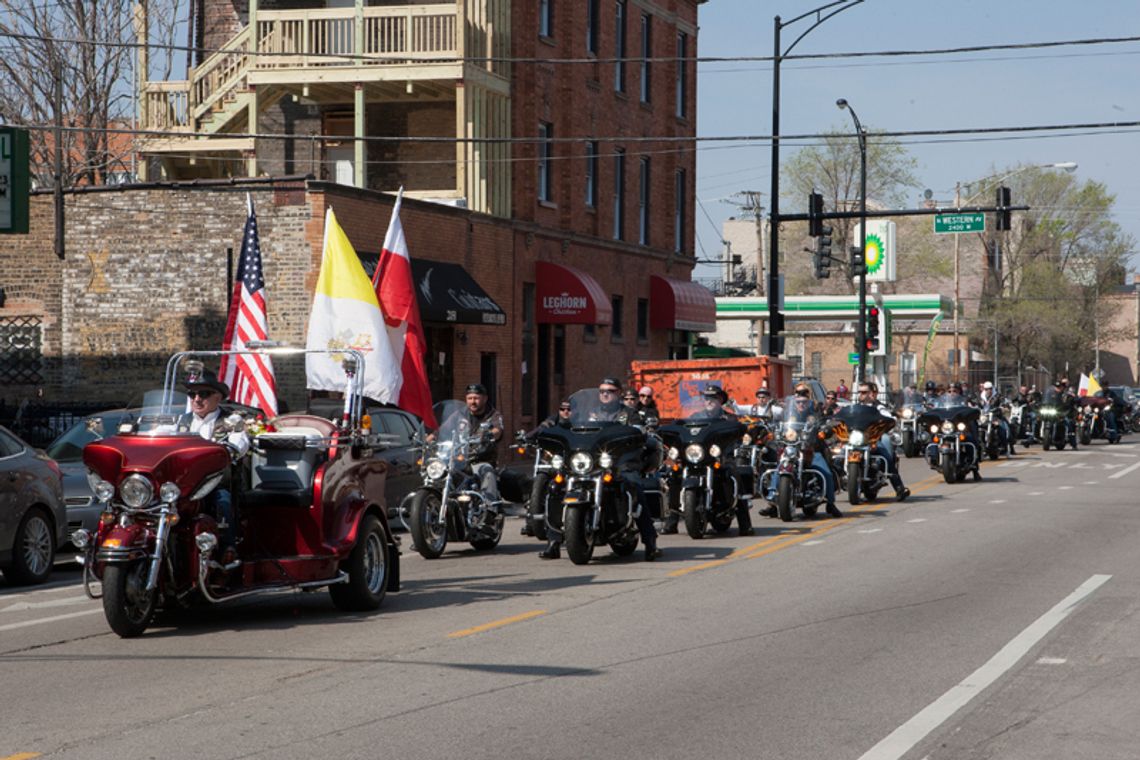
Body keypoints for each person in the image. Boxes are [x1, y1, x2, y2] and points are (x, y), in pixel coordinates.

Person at [541, 377, 662, 561]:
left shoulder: (629, 414)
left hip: (621, 462)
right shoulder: (589, 414)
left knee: (635, 486)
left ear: (618, 393)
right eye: (602, 391)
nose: (605, 394)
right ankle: (553, 541)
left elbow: (639, 433)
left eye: (610, 391)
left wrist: (638, 433)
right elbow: (575, 431)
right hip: (591, 462)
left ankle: (650, 541)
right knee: (556, 487)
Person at [181, 370, 250, 548]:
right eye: (192, 394)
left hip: (217, 484)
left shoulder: (232, 422)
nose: (197, 399)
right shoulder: (180, 422)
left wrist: (228, 450)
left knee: (222, 502)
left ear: (218, 398)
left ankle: (229, 550)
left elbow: (238, 446)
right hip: (183, 486)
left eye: (203, 394)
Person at [759, 383, 838, 518]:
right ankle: (773, 503)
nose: (801, 397)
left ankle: (831, 503)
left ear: (809, 394)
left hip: (812, 450)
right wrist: (772, 427)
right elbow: (777, 421)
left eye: (804, 393)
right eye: (798, 393)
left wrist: (825, 428)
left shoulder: (816, 409)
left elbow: (826, 420)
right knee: (780, 468)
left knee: (826, 472)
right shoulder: (788, 411)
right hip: (791, 447)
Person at [437, 383, 504, 504]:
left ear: (485, 398)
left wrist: (489, 434)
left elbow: (498, 429)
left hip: (481, 459)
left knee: (487, 471)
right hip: (459, 459)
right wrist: (429, 437)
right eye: (470, 398)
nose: (473, 402)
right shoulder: (460, 414)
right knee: (440, 473)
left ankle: (490, 509)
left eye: (476, 398)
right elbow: (443, 429)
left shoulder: (492, 415)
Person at [854, 382, 911, 501]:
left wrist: (889, 419)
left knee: (886, 456)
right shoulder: (855, 407)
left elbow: (889, 417)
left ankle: (899, 488)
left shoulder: (878, 407)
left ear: (871, 394)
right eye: (859, 392)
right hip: (855, 440)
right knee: (837, 455)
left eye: (864, 392)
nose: (861, 395)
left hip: (872, 439)